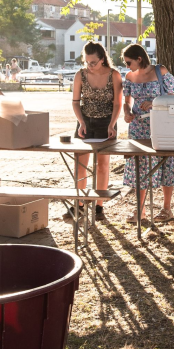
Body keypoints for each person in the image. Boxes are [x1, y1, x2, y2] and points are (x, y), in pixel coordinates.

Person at [122, 44, 174, 223]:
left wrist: (154, 103)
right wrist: (126, 113)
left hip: (160, 125)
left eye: (128, 62)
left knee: (165, 164)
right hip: (138, 127)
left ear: (139, 59)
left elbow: (173, 98)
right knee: (140, 166)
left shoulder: (161, 71)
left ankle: (167, 209)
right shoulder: (130, 76)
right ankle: (140, 210)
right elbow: (127, 102)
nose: (126, 66)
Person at [72, 41, 122, 220]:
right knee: (80, 165)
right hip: (85, 121)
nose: (89, 66)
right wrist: (81, 123)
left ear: (102, 59)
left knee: (102, 166)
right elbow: (76, 102)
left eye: (93, 62)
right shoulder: (80, 75)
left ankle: (99, 206)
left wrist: (112, 124)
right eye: (86, 62)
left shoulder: (114, 75)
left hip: (107, 122)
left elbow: (117, 103)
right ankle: (79, 204)